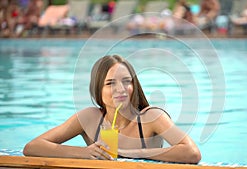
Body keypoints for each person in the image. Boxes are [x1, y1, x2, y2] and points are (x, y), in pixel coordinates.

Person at [23, 55, 201, 164]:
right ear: (98, 90)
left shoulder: (151, 117)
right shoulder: (89, 118)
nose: (121, 89)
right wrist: (85, 153)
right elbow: (32, 147)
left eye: (126, 81)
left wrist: (132, 154)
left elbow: (192, 152)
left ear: (134, 85)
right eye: (110, 83)